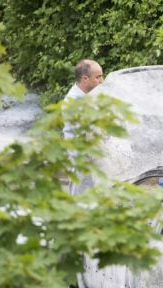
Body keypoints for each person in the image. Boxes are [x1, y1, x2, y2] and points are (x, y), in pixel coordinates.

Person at [63, 59, 104, 193]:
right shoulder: (74, 102)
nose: (101, 81)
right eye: (98, 77)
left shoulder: (91, 95)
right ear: (85, 79)